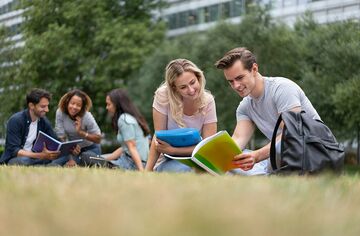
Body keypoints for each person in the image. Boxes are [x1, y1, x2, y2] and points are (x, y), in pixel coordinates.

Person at [215, 47, 320, 175]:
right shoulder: (244, 107)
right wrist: (217, 159)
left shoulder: (282, 88)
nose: (236, 86)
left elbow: (293, 133)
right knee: (234, 163)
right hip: (279, 159)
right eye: (231, 81)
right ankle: (268, 178)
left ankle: (270, 176)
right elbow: (238, 139)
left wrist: (258, 155)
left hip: (314, 152)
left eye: (240, 78)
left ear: (254, 69)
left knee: (282, 148)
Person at [145, 59, 217, 172]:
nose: (191, 90)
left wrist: (173, 150)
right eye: (183, 87)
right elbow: (158, 139)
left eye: (192, 82)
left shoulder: (208, 101)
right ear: (175, 88)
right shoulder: (163, 96)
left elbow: (207, 147)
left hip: (195, 157)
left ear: (198, 78)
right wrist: (147, 172)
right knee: (187, 171)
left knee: (207, 170)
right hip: (167, 159)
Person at [0, 88, 63, 166]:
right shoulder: (16, 120)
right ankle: (45, 165)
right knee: (24, 160)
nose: (47, 110)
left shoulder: (44, 121)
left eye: (47, 106)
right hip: (15, 158)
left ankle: (44, 164)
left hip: (36, 158)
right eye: (43, 106)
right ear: (31, 105)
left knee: (60, 158)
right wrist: (41, 155)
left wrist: (69, 148)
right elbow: (15, 151)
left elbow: (55, 141)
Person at [103, 89, 150, 171]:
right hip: (128, 159)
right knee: (95, 158)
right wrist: (104, 158)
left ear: (116, 104)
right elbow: (125, 148)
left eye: (108, 104)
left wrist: (142, 171)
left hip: (131, 163)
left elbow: (132, 146)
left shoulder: (124, 120)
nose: (107, 107)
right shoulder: (131, 118)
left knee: (87, 158)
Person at [55, 89, 102, 166]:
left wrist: (81, 132)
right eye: (72, 103)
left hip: (90, 148)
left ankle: (98, 161)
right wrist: (70, 155)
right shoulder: (60, 112)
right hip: (71, 149)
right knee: (56, 163)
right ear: (67, 102)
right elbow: (61, 136)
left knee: (85, 159)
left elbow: (98, 139)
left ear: (82, 107)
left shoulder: (87, 116)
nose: (74, 107)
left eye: (78, 105)